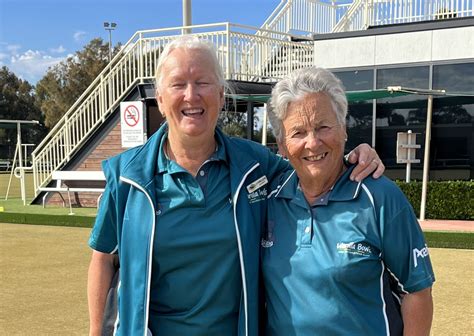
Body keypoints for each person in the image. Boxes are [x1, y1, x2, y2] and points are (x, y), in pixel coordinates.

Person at [87, 36, 384, 336]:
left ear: (220, 94)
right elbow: (103, 261)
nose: (191, 95)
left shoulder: (254, 164)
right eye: (178, 84)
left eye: (202, 82)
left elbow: (309, 164)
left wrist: (351, 155)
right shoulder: (127, 175)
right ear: (161, 99)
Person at [262, 67, 435, 336]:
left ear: (343, 129)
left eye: (323, 127)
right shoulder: (267, 199)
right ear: (282, 145)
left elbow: (417, 291)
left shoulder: (380, 197)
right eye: (298, 133)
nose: (313, 143)